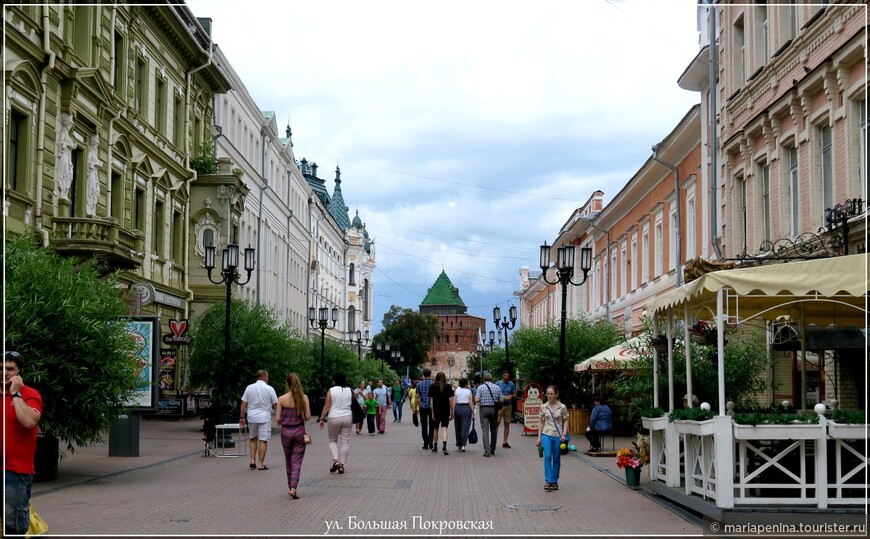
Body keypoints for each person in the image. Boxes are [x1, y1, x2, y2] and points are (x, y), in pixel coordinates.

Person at [4, 351, 43, 536]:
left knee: (13, 523)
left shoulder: (30, 395)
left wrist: (15, 394)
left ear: (19, 372)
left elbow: (28, 422)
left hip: (15, 471)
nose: (4, 373)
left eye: (10, 369)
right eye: (1, 368)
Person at [276, 373, 310, 499]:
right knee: (296, 460)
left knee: (288, 459)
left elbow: (278, 418)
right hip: (299, 432)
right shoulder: (304, 398)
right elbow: (307, 417)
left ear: (287, 384)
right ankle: (293, 487)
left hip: (285, 432)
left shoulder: (281, 399)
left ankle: (290, 485)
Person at [239, 370, 278, 470]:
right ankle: (261, 464)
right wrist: (279, 417)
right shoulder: (269, 389)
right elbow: (276, 405)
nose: (268, 379)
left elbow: (243, 404)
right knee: (263, 440)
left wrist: (242, 418)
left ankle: (252, 460)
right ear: (264, 377)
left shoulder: (249, 388)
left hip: (251, 417)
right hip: (264, 417)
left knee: (252, 438)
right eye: (267, 377)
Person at [318, 371, 353, 474]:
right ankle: (342, 465)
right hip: (347, 416)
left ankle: (335, 461)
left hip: (334, 417)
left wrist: (321, 418)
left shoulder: (331, 390)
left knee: (333, 440)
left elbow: (327, 406)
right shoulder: (350, 390)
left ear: (335, 380)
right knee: (345, 441)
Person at [537, 385, 569, 491]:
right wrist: (539, 437)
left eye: (551, 393)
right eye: (548, 393)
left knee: (556, 458)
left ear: (556, 394)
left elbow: (566, 420)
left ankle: (555, 481)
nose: (549, 396)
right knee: (547, 456)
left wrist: (564, 434)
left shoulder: (562, 407)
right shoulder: (544, 407)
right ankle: (548, 480)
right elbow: (541, 422)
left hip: (558, 435)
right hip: (546, 434)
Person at [475, 372, 503, 457]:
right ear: (492, 379)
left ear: (484, 379)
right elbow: (501, 400)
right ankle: (493, 449)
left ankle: (487, 451)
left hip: (484, 409)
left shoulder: (480, 387)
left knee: (485, 430)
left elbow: (476, 400)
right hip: (494, 410)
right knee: (494, 430)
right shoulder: (497, 387)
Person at [428, 372, 455, 455]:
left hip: (436, 410)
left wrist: (432, 412)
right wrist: (452, 411)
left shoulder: (432, 386)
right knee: (444, 428)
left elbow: (431, 401)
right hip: (445, 410)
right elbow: (450, 400)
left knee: (436, 429)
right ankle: (444, 447)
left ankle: (435, 447)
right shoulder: (448, 386)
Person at [496, 371, 517, 449]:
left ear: (509, 376)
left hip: (508, 405)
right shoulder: (497, 383)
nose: (506, 377)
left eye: (507, 375)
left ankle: (505, 442)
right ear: (502, 376)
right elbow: (494, 393)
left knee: (507, 423)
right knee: (497, 423)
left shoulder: (511, 384)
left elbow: (515, 394)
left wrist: (511, 396)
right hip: (499, 405)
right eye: (505, 375)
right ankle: (494, 440)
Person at [453, 378, 474, 452]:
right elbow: (471, 403)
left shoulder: (456, 391)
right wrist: (473, 414)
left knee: (458, 426)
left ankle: (458, 443)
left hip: (458, 408)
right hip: (466, 408)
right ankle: (463, 445)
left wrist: (452, 411)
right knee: (465, 427)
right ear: (466, 384)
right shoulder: (469, 391)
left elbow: (454, 402)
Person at [416, 369, 434, 449]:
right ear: (430, 374)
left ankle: (425, 443)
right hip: (432, 407)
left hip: (422, 406)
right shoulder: (433, 384)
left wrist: (416, 408)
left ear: (423, 375)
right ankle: (430, 441)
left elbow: (417, 397)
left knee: (424, 425)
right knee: (432, 425)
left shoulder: (419, 384)